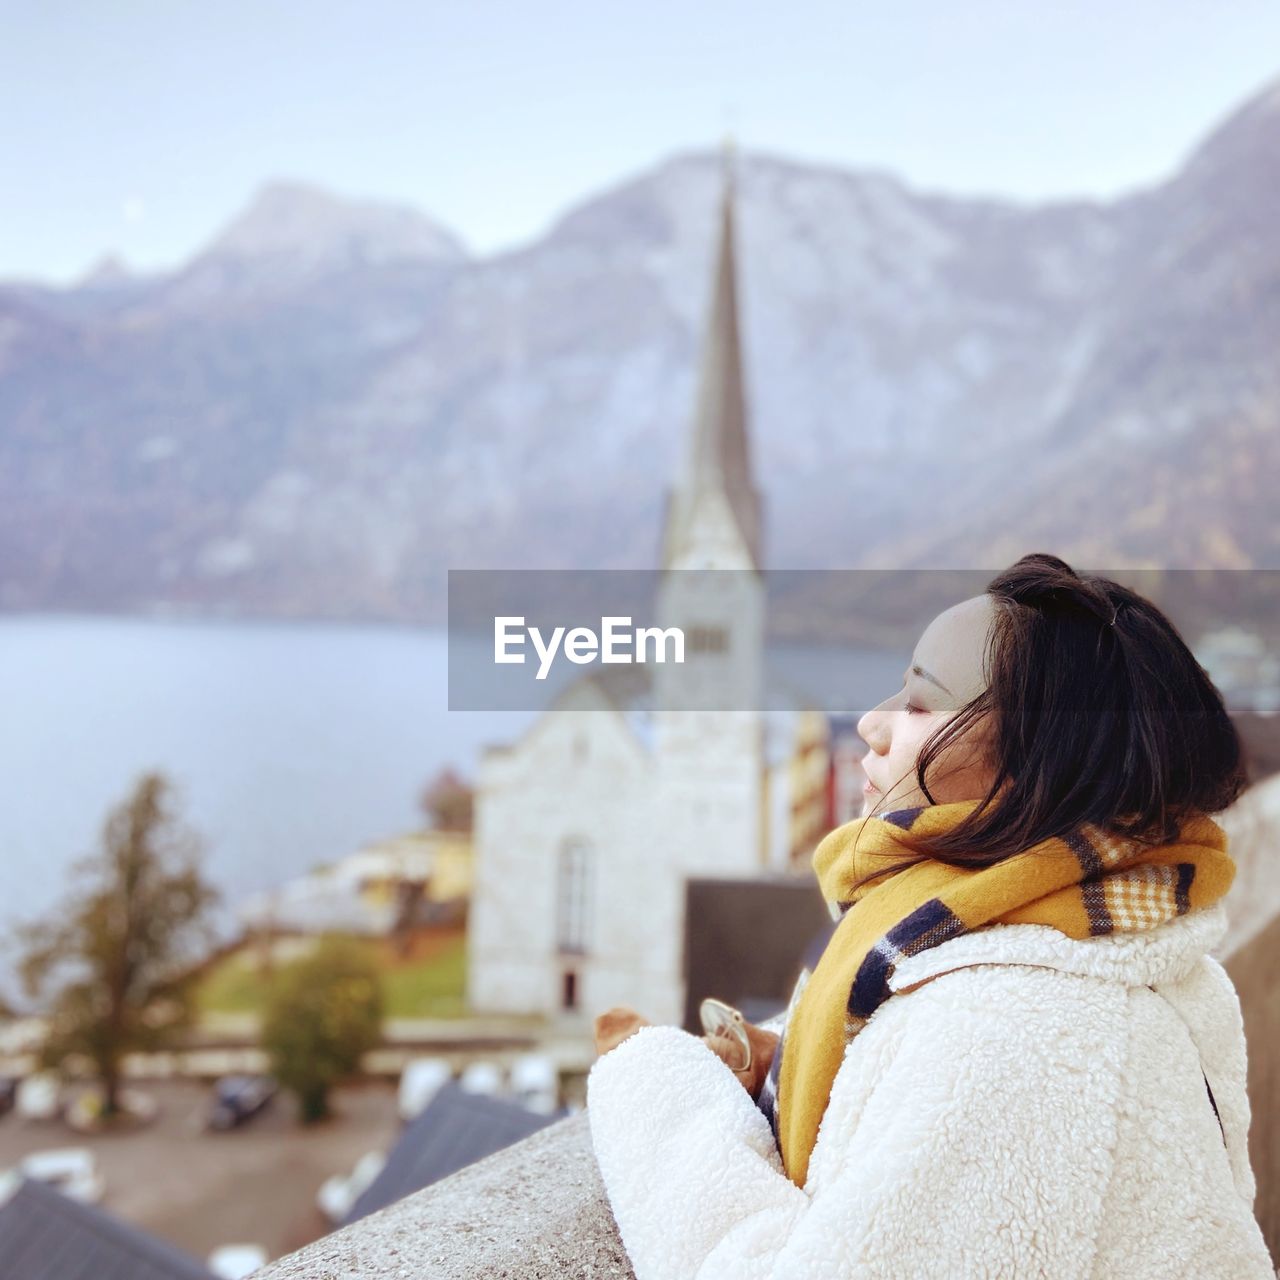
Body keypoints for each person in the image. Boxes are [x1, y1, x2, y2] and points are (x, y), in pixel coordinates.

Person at [586, 553, 1277, 1280]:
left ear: (1040, 764)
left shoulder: (1019, 1028)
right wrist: (774, 1062)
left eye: (921, 704)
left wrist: (652, 1089)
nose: (873, 723)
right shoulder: (1030, 951)